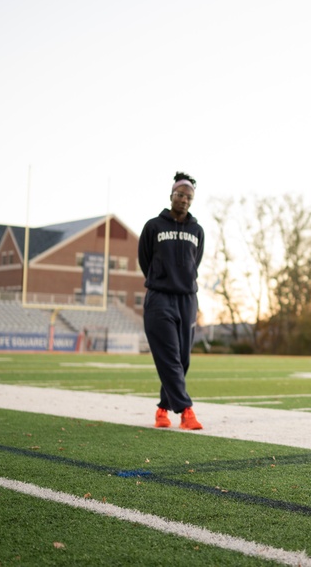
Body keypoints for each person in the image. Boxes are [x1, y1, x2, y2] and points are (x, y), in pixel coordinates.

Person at [138, 171, 206, 430]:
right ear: (171, 196)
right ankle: (186, 411)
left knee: (182, 359)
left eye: (189, 197)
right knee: (168, 357)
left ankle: (162, 410)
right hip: (159, 298)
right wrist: (161, 279)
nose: (184, 200)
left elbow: (194, 262)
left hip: (187, 299)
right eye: (180, 195)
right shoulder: (153, 226)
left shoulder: (197, 230)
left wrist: (183, 282)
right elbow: (145, 260)